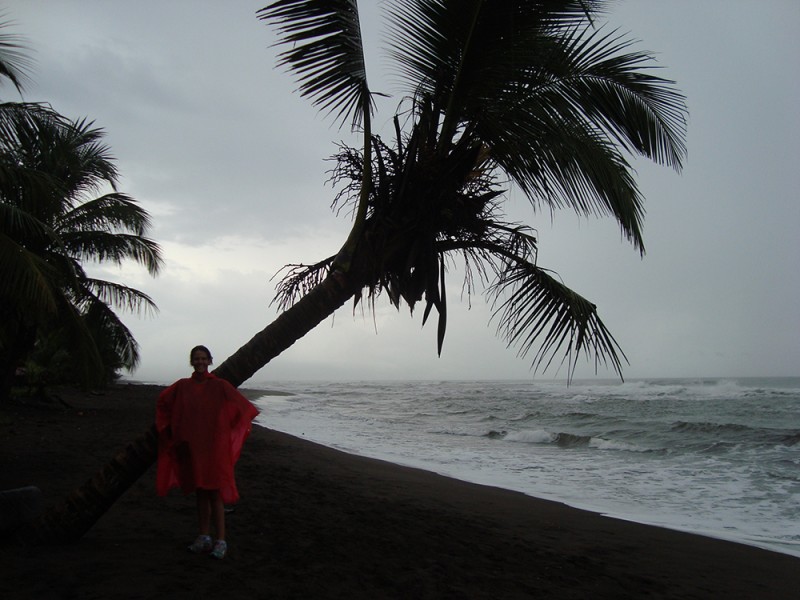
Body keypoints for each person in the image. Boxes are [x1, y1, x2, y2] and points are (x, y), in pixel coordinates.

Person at [156, 345, 259, 560]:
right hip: (194, 447)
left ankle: (221, 540)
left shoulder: (219, 385)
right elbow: (163, 402)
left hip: (214, 449)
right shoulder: (183, 386)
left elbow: (243, 408)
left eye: (204, 358)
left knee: (215, 493)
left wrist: (225, 429)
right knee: (200, 491)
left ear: (210, 361)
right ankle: (204, 536)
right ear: (191, 361)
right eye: (197, 358)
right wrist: (174, 429)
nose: (200, 362)